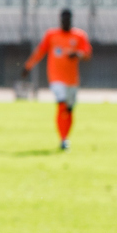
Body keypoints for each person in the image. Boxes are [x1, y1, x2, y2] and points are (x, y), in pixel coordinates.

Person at [25, 8, 92, 150]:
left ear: (71, 21)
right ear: (59, 20)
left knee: (69, 109)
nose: (65, 22)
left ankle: (65, 137)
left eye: (67, 20)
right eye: (63, 20)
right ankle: (63, 140)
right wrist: (28, 66)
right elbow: (40, 51)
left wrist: (78, 54)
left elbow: (87, 53)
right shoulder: (51, 35)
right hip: (56, 78)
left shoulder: (79, 36)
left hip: (72, 80)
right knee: (61, 104)